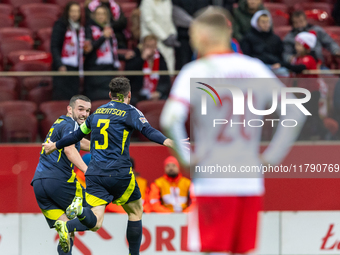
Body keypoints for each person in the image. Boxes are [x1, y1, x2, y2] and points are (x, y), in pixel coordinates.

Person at [160, 7, 306, 254]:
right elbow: (296, 111)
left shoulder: (197, 71)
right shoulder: (255, 68)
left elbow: (169, 118)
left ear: (203, 36)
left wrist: (185, 159)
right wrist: (270, 158)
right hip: (249, 182)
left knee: (210, 250)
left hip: (213, 181)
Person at [42, 77, 176, 255]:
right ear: (128, 95)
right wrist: (168, 141)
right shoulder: (130, 111)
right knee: (136, 211)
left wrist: (55, 145)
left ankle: (72, 220)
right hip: (119, 173)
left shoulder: (97, 113)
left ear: (110, 95)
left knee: (95, 222)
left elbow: (75, 136)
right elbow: (148, 130)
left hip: (95, 175)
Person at [31, 95, 92, 254]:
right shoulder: (70, 123)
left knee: (67, 234)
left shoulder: (60, 123)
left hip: (39, 184)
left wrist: (99, 147)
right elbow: (69, 149)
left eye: (87, 111)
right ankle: (69, 223)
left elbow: (78, 142)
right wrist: (88, 171)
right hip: (58, 180)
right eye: (80, 109)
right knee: (94, 214)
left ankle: (66, 227)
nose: (84, 114)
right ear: (69, 109)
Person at [51, 2, 87, 100]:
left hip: (75, 67)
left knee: (73, 97)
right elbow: (54, 46)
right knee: (62, 96)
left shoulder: (81, 28)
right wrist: (60, 64)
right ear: (67, 12)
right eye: (72, 11)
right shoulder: (60, 25)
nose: (75, 14)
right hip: (63, 67)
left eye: (77, 11)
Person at [84, 5, 120, 101]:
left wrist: (124, 56)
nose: (101, 16)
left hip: (108, 70)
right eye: (98, 14)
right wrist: (103, 37)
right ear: (94, 16)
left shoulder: (109, 30)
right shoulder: (88, 29)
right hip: (94, 71)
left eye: (103, 14)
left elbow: (112, 52)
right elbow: (87, 50)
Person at [125, 34, 171, 106]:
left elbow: (165, 79)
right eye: (148, 46)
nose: (150, 49)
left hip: (156, 93)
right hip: (139, 93)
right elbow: (129, 75)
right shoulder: (136, 55)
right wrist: (141, 59)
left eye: (152, 46)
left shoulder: (160, 58)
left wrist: (159, 91)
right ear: (143, 46)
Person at [241, 10, 289, 77]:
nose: (266, 25)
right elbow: (246, 57)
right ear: (256, 23)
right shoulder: (248, 38)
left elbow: (280, 56)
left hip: (274, 67)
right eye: (263, 22)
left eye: (268, 22)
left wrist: (279, 64)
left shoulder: (276, 38)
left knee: (284, 72)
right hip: (256, 67)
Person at [140, 0, 179, 73]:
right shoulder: (147, 2)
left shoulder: (167, 1)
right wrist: (164, 37)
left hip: (168, 41)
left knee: (170, 68)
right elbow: (149, 21)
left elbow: (169, 19)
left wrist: (173, 33)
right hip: (153, 41)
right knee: (156, 71)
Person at [172, 0, 211, 70]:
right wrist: (195, 23)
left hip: (203, 37)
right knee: (184, 66)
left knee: (202, 66)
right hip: (183, 37)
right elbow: (175, 11)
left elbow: (210, 9)